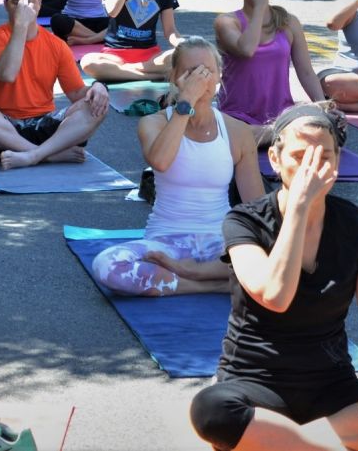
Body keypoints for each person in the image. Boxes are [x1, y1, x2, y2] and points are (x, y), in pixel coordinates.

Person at [190, 102, 358, 451]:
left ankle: (289, 444)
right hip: (255, 383)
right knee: (213, 411)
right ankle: (345, 443)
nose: (313, 168)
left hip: (332, 388)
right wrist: (300, 210)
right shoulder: (245, 221)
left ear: (338, 162)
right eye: (300, 156)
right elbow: (275, 295)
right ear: (275, 159)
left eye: (325, 157)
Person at [92, 37, 264, 296]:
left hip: (219, 242)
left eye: (206, 72)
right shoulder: (154, 122)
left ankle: (190, 277)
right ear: (173, 77)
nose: (199, 80)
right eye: (190, 72)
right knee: (108, 266)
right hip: (166, 241)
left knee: (284, 261)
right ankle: (213, 285)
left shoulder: (237, 131)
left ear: (218, 77)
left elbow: (257, 207)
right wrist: (186, 102)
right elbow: (160, 161)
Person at [0, 0, 110, 170]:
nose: (24, 7)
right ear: (6, 5)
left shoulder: (56, 45)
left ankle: (33, 155)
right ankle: (47, 155)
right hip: (4, 129)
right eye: (17, 2)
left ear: (40, 3)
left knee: (96, 105)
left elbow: (76, 93)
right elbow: (7, 74)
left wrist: (98, 87)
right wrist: (21, 27)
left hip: (45, 125)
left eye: (30, 1)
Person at [215, 0, 324, 145]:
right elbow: (247, 49)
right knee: (235, 134)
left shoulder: (289, 22)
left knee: (325, 126)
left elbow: (305, 71)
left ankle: (280, 133)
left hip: (280, 114)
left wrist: (322, 107)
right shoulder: (226, 22)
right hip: (237, 115)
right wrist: (259, 7)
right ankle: (283, 135)